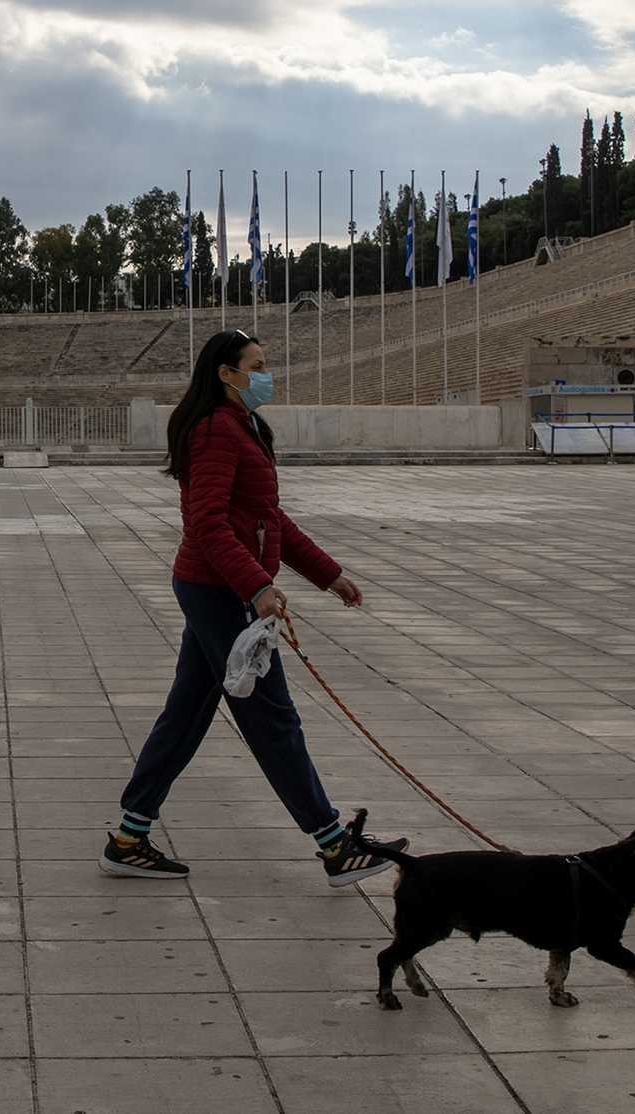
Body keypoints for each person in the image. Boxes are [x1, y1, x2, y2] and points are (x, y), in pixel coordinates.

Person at [102, 327, 406, 887]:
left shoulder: (244, 427)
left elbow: (270, 520)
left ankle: (129, 834)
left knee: (187, 714)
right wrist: (256, 588)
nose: (267, 376)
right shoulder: (217, 430)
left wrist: (327, 574)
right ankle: (334, 844)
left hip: (215, 589)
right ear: (227, 372)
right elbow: (208, 524)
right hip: (219, 592)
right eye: (257, 365)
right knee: (271, 717)